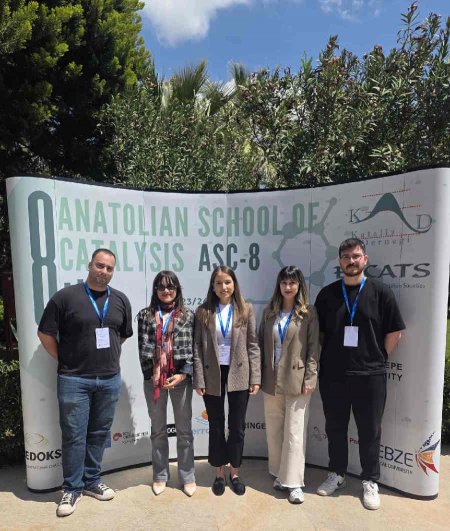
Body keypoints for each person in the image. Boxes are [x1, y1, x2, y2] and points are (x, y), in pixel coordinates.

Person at [37, 248, 133, 517]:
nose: (104, 271)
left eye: (109, 268)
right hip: (74, 379)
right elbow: (45, 333)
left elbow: (122, 335)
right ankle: (71, 488)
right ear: (90, 265)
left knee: (99, 433)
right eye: (100, 265)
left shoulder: (120, 300)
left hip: (109, 378)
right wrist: (65, 359)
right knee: (74, 436)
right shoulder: (65, 297)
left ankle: (92, 481)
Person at [314, 238, 405, 510]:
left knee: (370, 430)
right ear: (339, 261)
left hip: (370, 375)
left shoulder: (381, 292)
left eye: (356, 256)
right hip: (334, 375)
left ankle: (370, 480)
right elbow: (319, 335)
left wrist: (378, 358)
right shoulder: (327, 295)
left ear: (365, 259)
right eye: (346, 257)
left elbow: (395, 332)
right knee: (335, 427)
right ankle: (337, 473)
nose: (351, 261)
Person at [193, 265, 261, 496]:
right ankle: (219, 473)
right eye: (219, 283)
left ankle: (235, 472)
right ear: (213, 286)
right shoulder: (203, 311)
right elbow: (197, 347)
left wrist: (255, 377)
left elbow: (253, 344)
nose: (224, 287)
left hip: (239, 372)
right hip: (212, 373)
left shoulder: (245, 309)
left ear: (234, 284)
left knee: (237, 427)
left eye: (227, 282)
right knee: (215, 425)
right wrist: (199, 378)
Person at [259, 266, 320, 504]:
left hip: (297, 379)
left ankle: (294, 483)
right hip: (271, 379)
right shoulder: (269, 312)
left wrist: (311, 378)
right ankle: (278, 474)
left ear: (299, 285)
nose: (288, 287)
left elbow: (313, 348)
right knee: (275, 430)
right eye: (284, 282)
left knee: (294, 432)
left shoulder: (308, 313)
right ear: (279, 285)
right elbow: (260, 346)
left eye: (292, 282)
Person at [137, 271, 196, 497]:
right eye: (161, 287)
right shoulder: (145, 315)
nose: (166, 291)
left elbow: (193, 349)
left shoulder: (188, 316)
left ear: (177, 290)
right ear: (155, 290)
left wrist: (184, 374)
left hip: (180, 379)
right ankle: (160, 475)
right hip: (155, 380)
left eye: (170, 287)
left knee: (184, 430)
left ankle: (187, 477)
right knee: (158, 430)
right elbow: (143, 349)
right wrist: (153, 374)